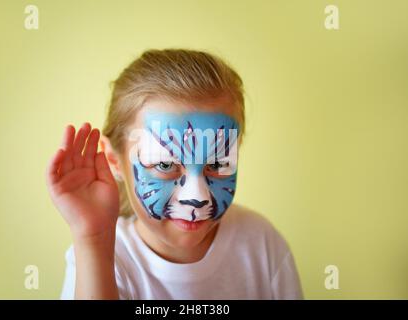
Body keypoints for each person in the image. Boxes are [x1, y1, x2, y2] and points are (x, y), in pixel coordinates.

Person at [45, 49, 303, 299]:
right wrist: (93, 238)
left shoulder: (261, 243)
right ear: (114, 160)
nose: (197, 197)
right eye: (165, 166)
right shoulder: (100, 258)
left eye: (216, 164)